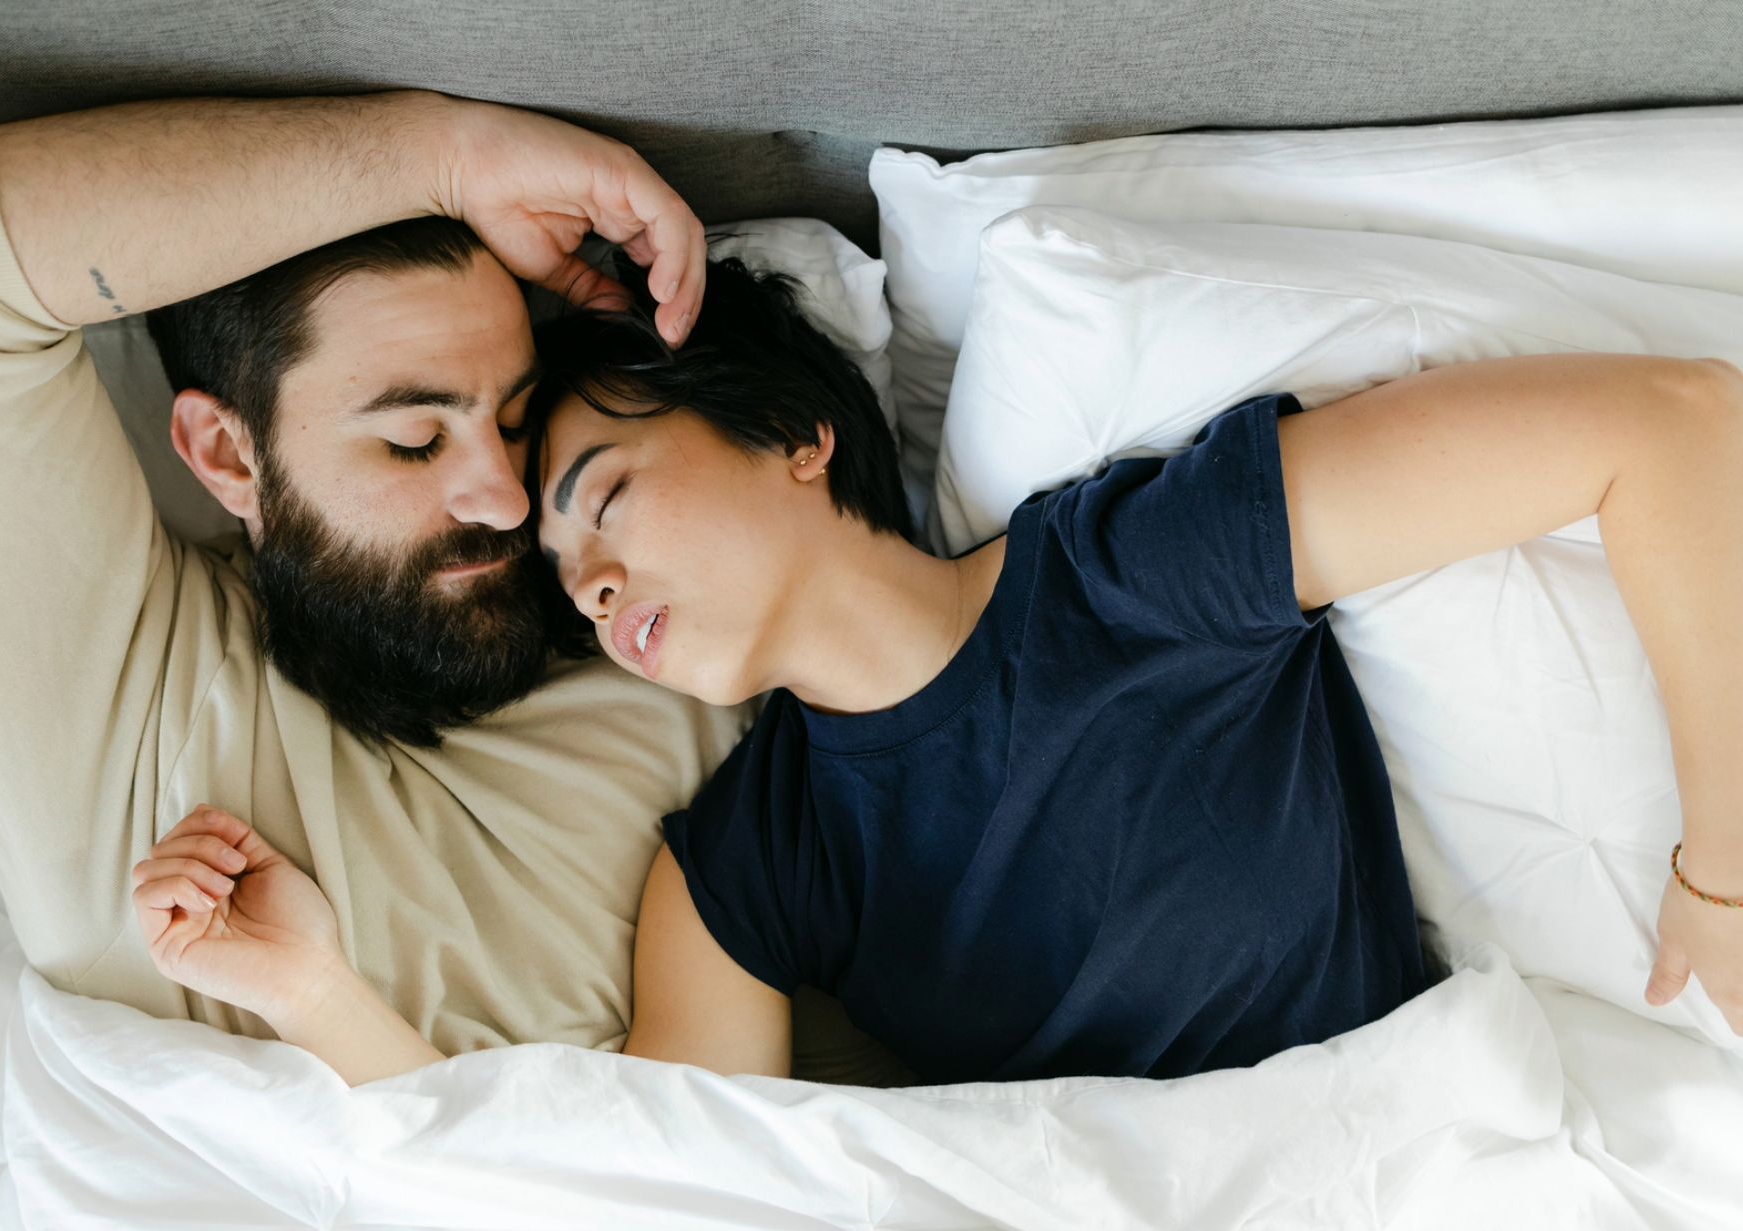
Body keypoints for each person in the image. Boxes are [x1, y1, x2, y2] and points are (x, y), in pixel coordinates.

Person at [133, 260, 1743, 1087]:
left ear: (792, 437)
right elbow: (636, 1202)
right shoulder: (741, 868)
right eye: (567, 578)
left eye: (604, 504)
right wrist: (319, 997)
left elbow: (1670, 428)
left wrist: (1724, 872)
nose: (592, 577)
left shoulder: (1130, 571)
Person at [0, 91, 906, 1083]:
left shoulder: (662, 617)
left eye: (517, 421)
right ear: (229, 457)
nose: (507, 498)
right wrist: (442, 154)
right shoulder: (135, 723)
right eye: (413, 441)